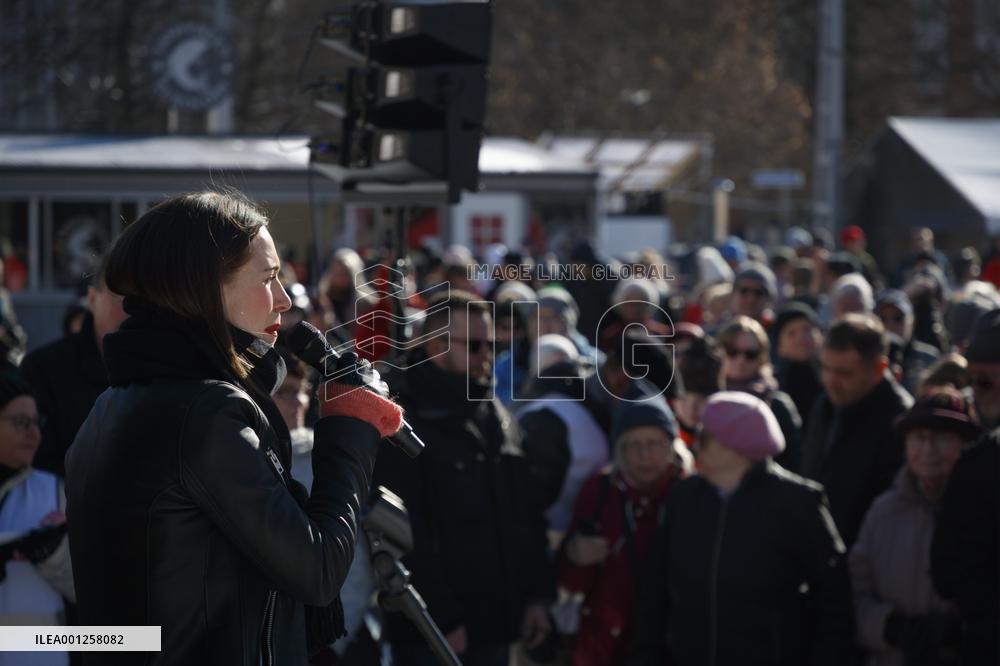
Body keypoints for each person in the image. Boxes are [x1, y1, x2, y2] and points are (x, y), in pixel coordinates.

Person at [64, 191, 402, 665]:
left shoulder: (115, 403)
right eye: (268, 278)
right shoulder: (204, 411)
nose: (284, 300)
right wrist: (350, 428)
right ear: (202, 289)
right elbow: (317, 570)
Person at [372, 291, 554, 666]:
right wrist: (440, 617)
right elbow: (401, 532)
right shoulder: (400, 418)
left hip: (497, 624)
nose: (486, 355)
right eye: (473, 346)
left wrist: (536, 595)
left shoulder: (494, 413)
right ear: (434, 345)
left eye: (491, 344)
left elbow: (524, 511)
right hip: (433, 632)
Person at [633, 391, 853, 666]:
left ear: (736, 447)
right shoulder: (683, 498)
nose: (694, 445)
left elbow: (835, 605)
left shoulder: (799, 505)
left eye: (704, 437)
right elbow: (656, 592)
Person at [850, 387, 979, 666]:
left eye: (943, 439)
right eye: (919, 438)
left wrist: (964, 632)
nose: (928, 450)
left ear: (966, 446)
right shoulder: (883, 512)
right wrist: (889, 627)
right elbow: (853, 593)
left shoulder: (985, 512)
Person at [556, 398, 686, 666]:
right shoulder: (599, 491)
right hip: (602, 646)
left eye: (655, 444)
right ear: (619, 450)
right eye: (633, 445)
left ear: (672, 447)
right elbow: (570, 582)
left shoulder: (688, 494)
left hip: (669, 646)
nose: (645, 455)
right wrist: (574, 556)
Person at [800, 313, 913, 547]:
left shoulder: (900, 424)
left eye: (844, 373)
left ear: (879, 368)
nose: (830, 380)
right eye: (825, 368)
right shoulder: (826, 405)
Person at [931, 309, 1000, 665]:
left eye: (986, 381)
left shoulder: (979, 465)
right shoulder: (976, 462)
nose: (979, 392)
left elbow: (947, 573)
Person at [20, 264, 127, 478]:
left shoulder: (166, 371)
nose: (131, 308)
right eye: (120, 295)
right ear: (92, 298)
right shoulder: (43, 368)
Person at [0, 373, 75, 666]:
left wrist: (54, 554)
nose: (35, 434)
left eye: (36, 423)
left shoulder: (55, 492)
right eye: (21, 422)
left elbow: (92, 590)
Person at [717, 315, 802, 470]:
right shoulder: (710, 401)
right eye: (732, 351)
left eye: (750, 354)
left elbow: (794, 462)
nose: (740, 360)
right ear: (720, 352)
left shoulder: (777, 404)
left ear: (761, 358)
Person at [875, 289, 939, 394]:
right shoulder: (869, 359)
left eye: (898, 318)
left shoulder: (929, 359)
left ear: (912, 321)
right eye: (883, 318)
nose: (890, 325)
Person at [771, 302, 825, 427]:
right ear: (780, 347)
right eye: (791, 333)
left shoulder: (837, 377)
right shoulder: (774, 387)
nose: (801, 338)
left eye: (807, 329)